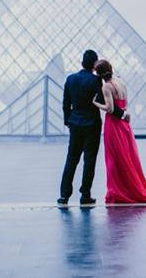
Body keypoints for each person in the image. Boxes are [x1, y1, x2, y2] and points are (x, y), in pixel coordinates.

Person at [93, 59, 146, 204]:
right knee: (127, 157)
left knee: (113, 159)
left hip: (113, 126)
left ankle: (116, 190)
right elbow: (121, 104)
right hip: (125, 125)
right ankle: (127, 187)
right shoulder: (120, 81)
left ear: (99, 74)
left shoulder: (107, 87)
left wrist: (96, 103)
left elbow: (110, 109)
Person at [58, 50, 129, 206]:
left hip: (75, 124)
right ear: (94, 66)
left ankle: (64, 196)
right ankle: (85, 195)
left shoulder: (70, 79)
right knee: (89, 161)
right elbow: (105, 103)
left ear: (82, 63)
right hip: (92, 125)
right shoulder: (95, 81)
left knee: (71, 159)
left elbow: (65, 104)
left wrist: (68, 121)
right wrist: (122, 114)